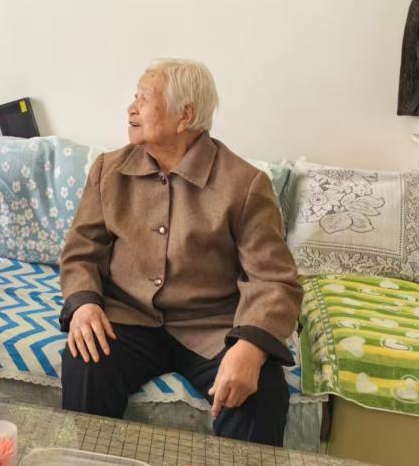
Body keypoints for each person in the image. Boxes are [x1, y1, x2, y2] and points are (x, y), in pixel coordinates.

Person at [59, 58, 302, 446]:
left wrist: (251, 347)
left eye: (143, 99)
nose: (131, 108)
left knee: (261, 393)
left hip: (213, 328)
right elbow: (80, 250)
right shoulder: (108, 170)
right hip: (128, 317)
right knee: (85, 361)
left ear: (184, 115)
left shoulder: (244, 184)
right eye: (134, 98)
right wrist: (84, 304)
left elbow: (274, 279)